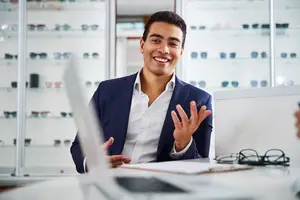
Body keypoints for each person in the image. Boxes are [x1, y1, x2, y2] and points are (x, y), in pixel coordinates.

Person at [70, 11, 213, 173]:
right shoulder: (107, 91)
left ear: (181, 52)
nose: (164, 49)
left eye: (173, 44)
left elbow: (201, 166)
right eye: (156, 40)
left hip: (164, 191)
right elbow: (80, 145)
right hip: (109, 186)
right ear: (142, 45)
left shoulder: (199, 100)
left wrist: (183, 145)